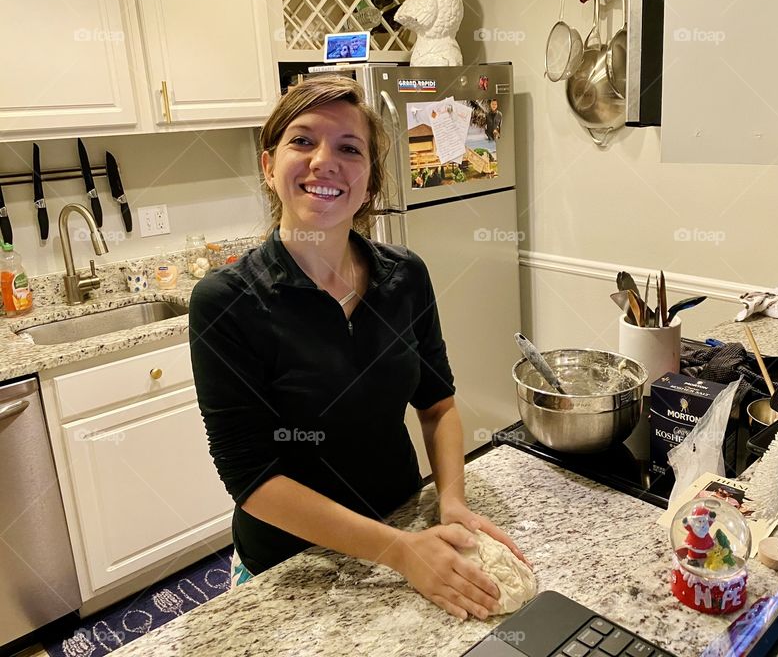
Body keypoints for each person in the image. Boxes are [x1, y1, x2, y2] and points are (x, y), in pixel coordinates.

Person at [189, 74, 528, 620]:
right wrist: (399, 552)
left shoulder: (405, 275)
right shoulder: (226, 301)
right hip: (290, 565)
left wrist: (451, 500)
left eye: (350, 149)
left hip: (404, 526)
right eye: (303, 141)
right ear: (268, 165)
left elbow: (438, 405)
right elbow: (251, 479)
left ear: (369, 182)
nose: (325, 161)